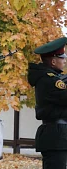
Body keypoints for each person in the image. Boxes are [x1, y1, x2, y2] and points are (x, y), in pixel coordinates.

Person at [28, 37, 67, 169]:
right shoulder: (49, 80)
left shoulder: (50, 78)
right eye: (63, 57)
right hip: (56, 137)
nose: (65, 60)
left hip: (57, 136)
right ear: (53, 61)